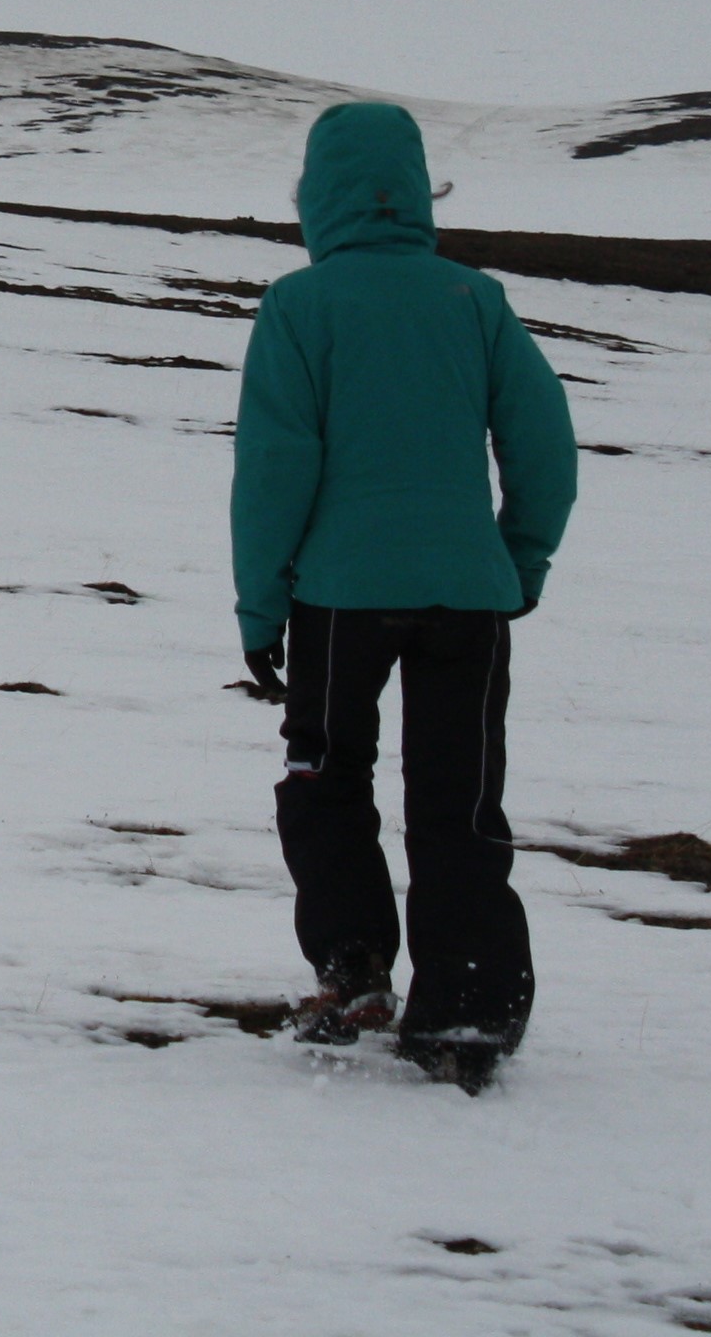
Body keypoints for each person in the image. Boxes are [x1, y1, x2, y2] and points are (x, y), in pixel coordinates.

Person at [231, 100, 578, 1093]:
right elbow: (545, 448)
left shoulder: (302, 307)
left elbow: (274, 474)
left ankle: (352, 975)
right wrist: (521, 561)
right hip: (468, 600)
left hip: (338, 599)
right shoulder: (475, 301)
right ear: (420, 191)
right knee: (458, 803)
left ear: (317, 197)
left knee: (326, 780)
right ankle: (468, 1009)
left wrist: (262, 612)